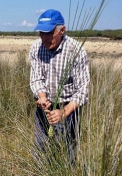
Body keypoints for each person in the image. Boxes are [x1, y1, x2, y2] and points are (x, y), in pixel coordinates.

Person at [29, 9, 90, 165]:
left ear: (62, 30)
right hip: (45, 108)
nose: (44, 37)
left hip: (68, 108)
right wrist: (42, 96)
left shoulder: (76, 51)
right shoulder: (36, 47)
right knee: (40, 144)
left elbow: (83, 89)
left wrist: (64, 112)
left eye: (49, 33)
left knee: (68, 147)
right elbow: (36, 78)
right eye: (41, 33)